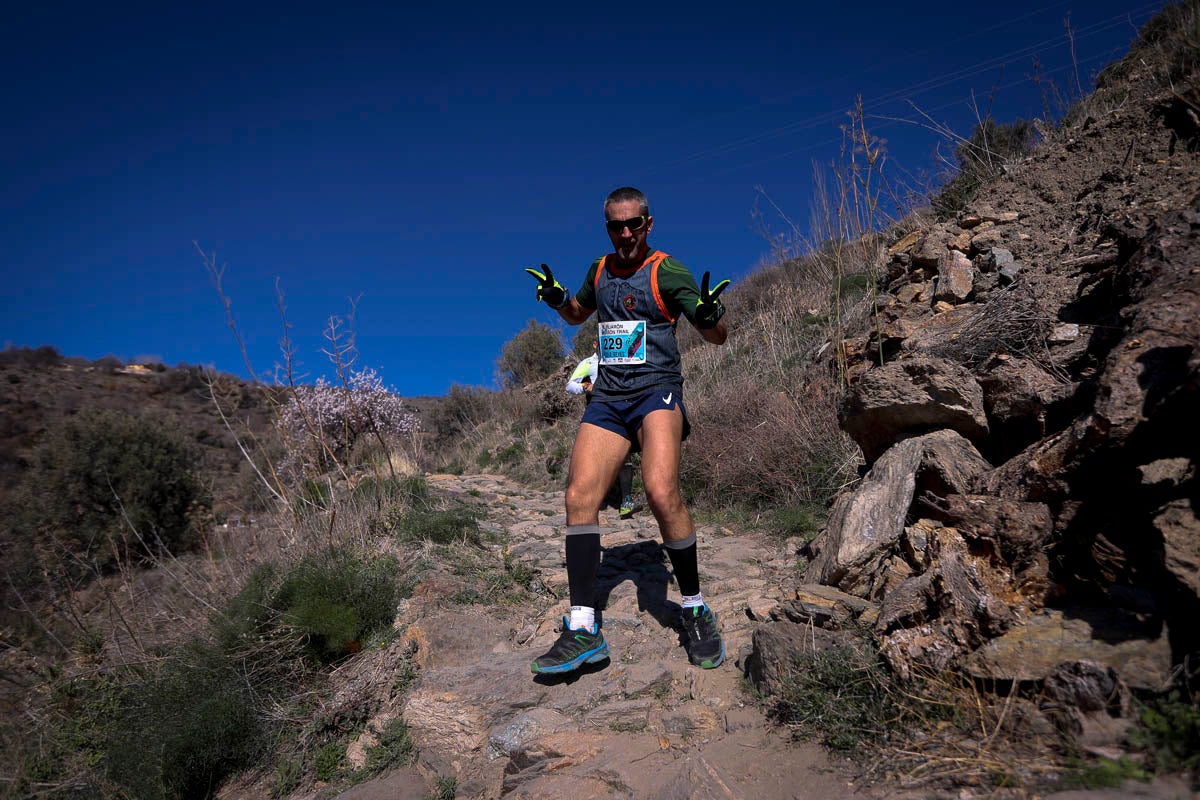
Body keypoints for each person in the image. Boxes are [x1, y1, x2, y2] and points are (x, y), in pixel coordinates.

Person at [525, 186, 730, 674]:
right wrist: (558, 300)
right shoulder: (599, 270)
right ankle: (582, 629)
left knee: (661, 492)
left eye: (633, 224)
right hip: (609, 398)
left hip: (656, 391)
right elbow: (579, 312)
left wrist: (708, 317)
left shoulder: (666, 270)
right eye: (615, 225)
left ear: (648, 224)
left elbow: (718, 336)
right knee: (579, 497)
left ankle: (695, 608)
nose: (624, 234)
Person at [566, 341, 641, 520]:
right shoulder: (588, 363)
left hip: (623, 411)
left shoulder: (620, 359)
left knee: (625, 457)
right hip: (598, 413)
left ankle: (626, 502)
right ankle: (593, 499)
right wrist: (587, 386)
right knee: (595, 458)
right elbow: (570, 386)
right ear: (594, 344)